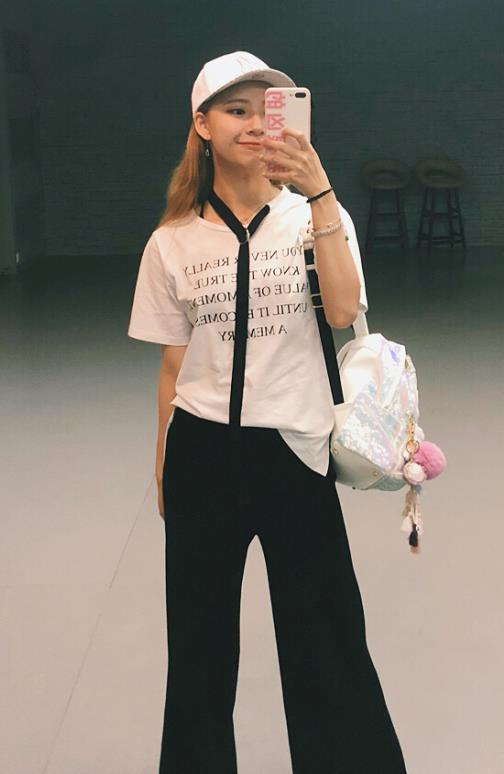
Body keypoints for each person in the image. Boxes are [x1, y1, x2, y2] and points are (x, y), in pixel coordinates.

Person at [128, 50, 408, 774]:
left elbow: (343, 311)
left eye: (267, 110)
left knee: (327, 640)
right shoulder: (172, 241)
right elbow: (172, 365)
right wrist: (162, 463)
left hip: (295, 448)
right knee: (199, 648)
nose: (255, 124)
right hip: (202, 454)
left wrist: (320, 196)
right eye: (237, 110)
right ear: (202, 125)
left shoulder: (316, 216)